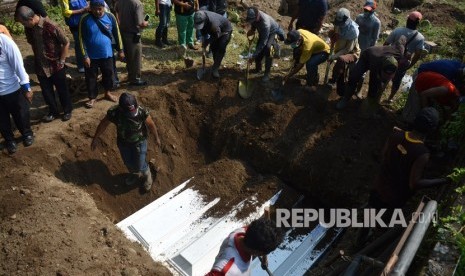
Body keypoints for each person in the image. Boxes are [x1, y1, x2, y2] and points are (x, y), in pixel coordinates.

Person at [91, 92, 161, 192]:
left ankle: (147, 175)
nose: (132, 115)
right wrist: (95, 138)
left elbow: (151, 124)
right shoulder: (114, 113)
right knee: (128, 163)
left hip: (139, 142)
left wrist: (156, 137)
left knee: (139, 165)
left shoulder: (141, 111)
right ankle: (135, 175)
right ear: (121, 108)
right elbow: (103, 124)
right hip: (123, 143)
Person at [17, 6, 73, 122]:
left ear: (31, 19)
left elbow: (66, 42)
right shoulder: (29, 29)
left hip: (56, 65)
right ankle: (53, 111)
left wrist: (62, 61)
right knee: (47, 92)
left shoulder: (51, 26)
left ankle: (67, 110)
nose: (23, 25)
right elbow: (32, 43)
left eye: (24, 23)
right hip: (41, 66)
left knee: (62, 90)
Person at [336, 37, 406, 110]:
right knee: (354, 76)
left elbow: (402, 40)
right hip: (367, 55)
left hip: (380, 57)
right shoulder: (375, 64)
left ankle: (369, 103)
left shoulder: (399, 57)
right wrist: (372, 95)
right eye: (384, 75)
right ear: (380, 69)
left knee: (377, 85)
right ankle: (346, 99)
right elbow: (373, 82)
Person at [79, 0, 124, 108]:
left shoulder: (110, 17)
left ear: (104, 7)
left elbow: (117, 34)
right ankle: (92, 97)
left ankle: (107, 92)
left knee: (108, 74)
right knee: (91, 77)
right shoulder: (85, 19)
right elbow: (81, 38)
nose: (97, 11)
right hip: (91, 55)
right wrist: (85, 55)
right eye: (95, 9)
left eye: (100, 9)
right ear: (91, 8)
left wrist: (121, 50)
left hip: (107, 53)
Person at [205, 218, 283, 276]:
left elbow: (260, 229)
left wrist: (264, 255)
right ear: (258, 252)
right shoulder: (227, 269)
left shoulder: (243, 232)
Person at [0, 33, 34, 154]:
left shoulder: (5, 42)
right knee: (2, 120)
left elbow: (18, 65)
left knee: (21, 114)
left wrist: (26, 87)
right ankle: (9, 140)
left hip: (12, 88)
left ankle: (27, 134)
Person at [384, 11, 425, 103]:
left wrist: (384, 56)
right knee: (397, 80)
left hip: (391, 59)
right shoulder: (420, 37)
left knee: (385, 76)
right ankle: (390, 98)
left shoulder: (397, 30)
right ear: (418, 23)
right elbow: (418, 54)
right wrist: (410, 65)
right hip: (403, 63)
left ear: (407, 20)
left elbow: (386, 44)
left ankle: (378, 94)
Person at [245, 7, 285, 82]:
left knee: (268, 48)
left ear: (257, 16)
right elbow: (254, 25)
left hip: (272, 32)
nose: (252, 21)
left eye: (253, 20)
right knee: (258, 50)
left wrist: (253, 56)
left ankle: (267, 73)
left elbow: (263, 42)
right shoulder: (254, 15)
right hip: (263, 33)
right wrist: (252, 31)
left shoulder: (265, 23)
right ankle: (258, 69)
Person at [328, 8, 361, 97]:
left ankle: (339, 86)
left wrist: (333, 57)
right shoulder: (338, 24)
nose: (340, 25)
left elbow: (347, 49)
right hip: (339, 49)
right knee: (340, 70)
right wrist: (332, 36)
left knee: (341, 61)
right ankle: (335, 80)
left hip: (352, 52)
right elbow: (335, 34)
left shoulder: (353, 30)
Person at [115, 0, 149, 86]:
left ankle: (131, 75)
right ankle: (135, 79)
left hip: (122, 33)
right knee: (135, 58)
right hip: (133, 35)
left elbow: (116, 14)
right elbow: (140, 23)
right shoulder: (137, 3)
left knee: (129, 57)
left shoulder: (119, 2)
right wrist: (145, 23)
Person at [194, 10, 232, 78]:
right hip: (214, 31)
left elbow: (216, 36)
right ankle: (216, 64)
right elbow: (203, 31)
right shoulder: (199, 16)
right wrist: (204, 43)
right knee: (214, 47)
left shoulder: (213, 23)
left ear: (205, 21)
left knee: (220, 47)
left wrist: (207, 42)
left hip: (224, 31)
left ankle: (215, 68)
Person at [58, 0, 88, 73]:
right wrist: (81, 10)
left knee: (88, 41)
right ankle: (81, 65)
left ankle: (89, 61)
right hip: (75, 24)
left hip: (85, 21)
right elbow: (66, 12)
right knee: (79, 43)